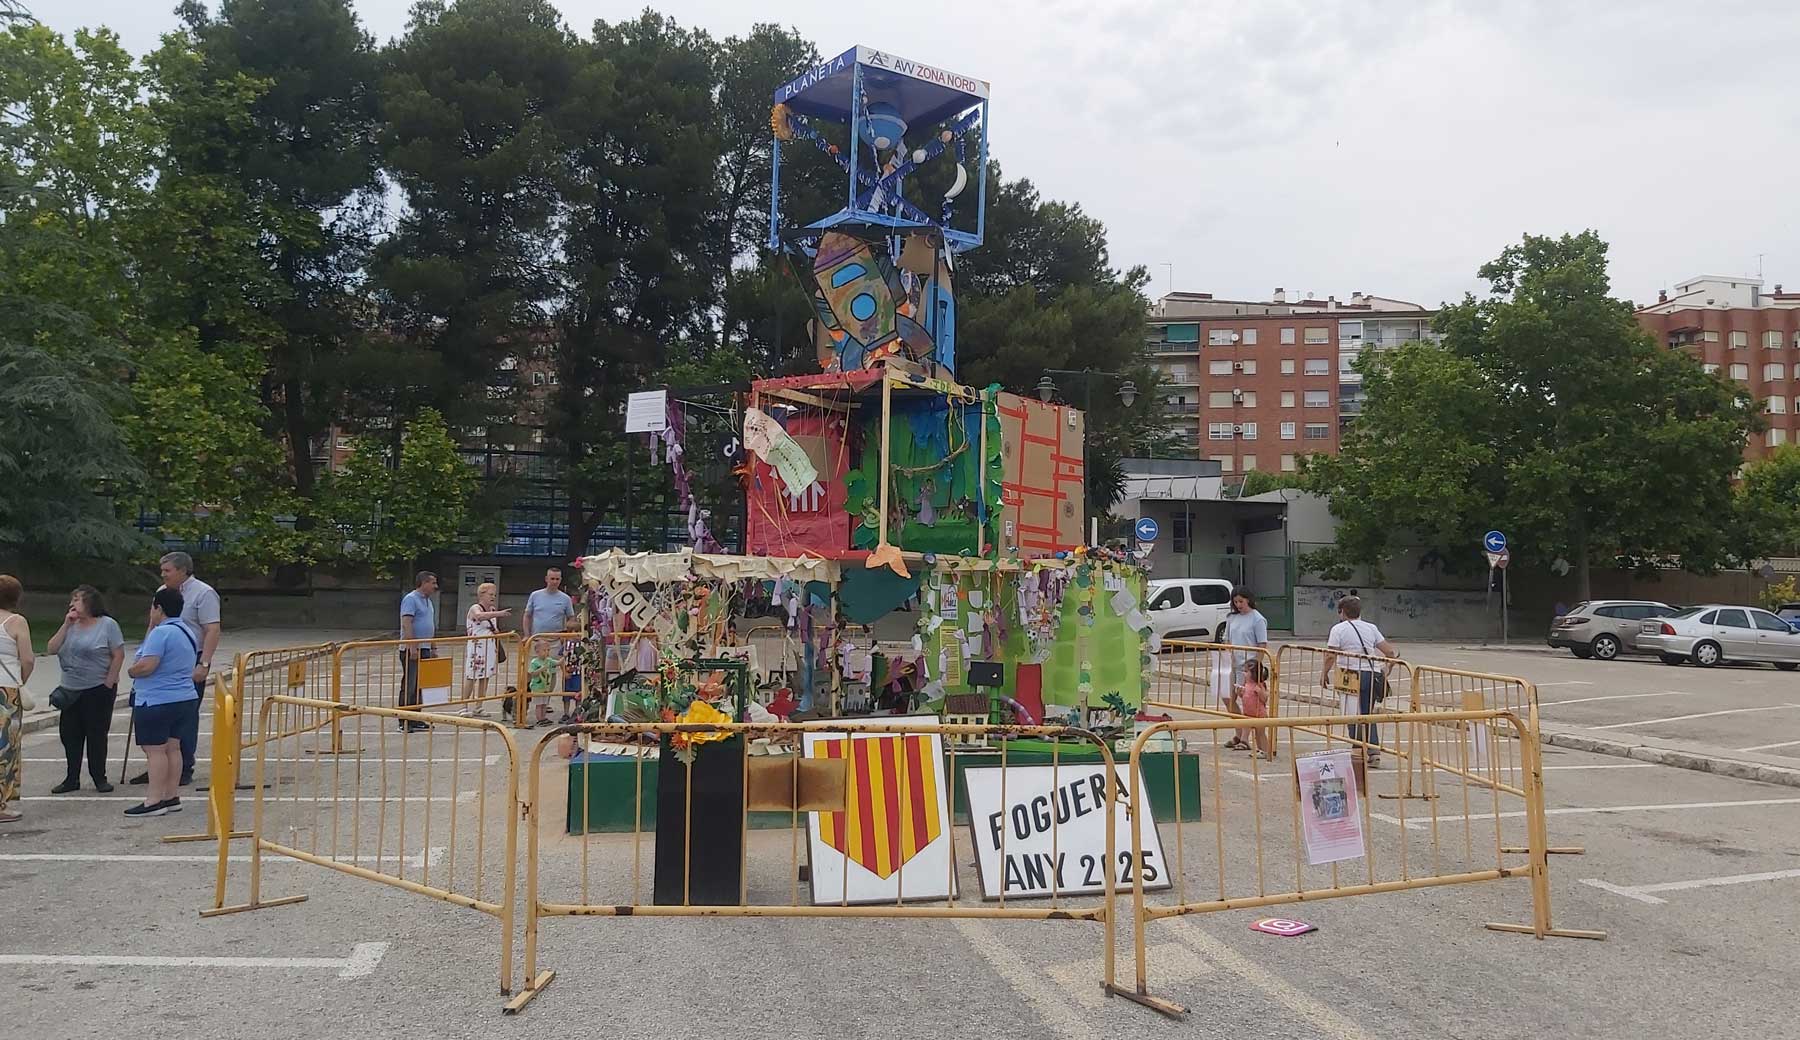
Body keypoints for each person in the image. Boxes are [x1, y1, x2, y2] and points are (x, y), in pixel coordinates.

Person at [130, 552, 220, 787]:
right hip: (160, 654)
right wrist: (145, 650)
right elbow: (153, 623)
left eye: (167, 571)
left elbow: (211, 629)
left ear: (183, 571)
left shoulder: (203, 593)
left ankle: (183, 767)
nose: (163, 575)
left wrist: (204, 664)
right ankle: (158, 766)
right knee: (159, 717)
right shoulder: (162, 592)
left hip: (189, 656)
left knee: (183, 717)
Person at [124, 587, 199, 817]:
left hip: (157, 699)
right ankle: (171, 795)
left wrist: (132, 671)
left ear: (159, 608)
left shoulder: (161, 633)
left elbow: (148, 665)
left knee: (155, 750)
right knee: (173, 747)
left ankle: (153, 800)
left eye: (152, 607)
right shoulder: (187, 631)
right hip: (184, 697)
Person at [47, 585, 124, 793]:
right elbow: (51, 648)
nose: (72, 604)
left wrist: (110, 680)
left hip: (97, 688)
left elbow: (118, 654)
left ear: (90, 603)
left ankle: (99, 777)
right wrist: (65, 624)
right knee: (70, 735)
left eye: (77, 600)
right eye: (72, 599)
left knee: (96, 735)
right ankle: (72, 779)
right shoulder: (70, 625)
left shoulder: (107, 625)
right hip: (70, 689)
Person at [1319, 595, 1398, 767]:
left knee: (1351, 713)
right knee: (1367, 713)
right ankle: (1373, 751)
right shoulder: (1371, 628)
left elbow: (1331, 654)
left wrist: (1324, 673)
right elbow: (1390, 652)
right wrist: (1387, 669)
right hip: (1371, 673)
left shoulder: (1338, 629)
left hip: (1349, 675)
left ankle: (1357, 750)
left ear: (1342, 612)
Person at [0, 576, 35, 824]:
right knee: (6, 747)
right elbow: (28, 659)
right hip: (6, 691)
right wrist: (21, 679)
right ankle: (2, 802)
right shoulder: (16, 622)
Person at [522, 567, 576, 723]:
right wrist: (526, 634)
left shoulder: (565, 598)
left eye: (557, 579)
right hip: (537, 640)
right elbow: (527, 615)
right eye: (552, 579)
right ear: (546, 579)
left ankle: (545, 701)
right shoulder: (535, 595)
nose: (554, 582)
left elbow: (570, 618)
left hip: (555, 641)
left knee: (551, 673)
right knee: (532, 671)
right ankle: (527, 700)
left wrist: (568, 635)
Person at [1220, 587, 1269, 751]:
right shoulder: (1232, 618)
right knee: (1228, 698)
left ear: (1248, 599)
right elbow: (1227, 639)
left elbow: (1262, 644)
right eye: (1235, 602)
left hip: (1248, 665)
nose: (1238, 605)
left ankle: (1245, 738)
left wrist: (1256, 668)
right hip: (1233, 663)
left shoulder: (1257, 619)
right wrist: (1228, 652)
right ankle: (1239, 733)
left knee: (1247, 701)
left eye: (1241, 601)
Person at [459, 582, 510, 718]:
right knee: (472, 676)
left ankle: (479, 706)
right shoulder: (475, 608)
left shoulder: (492, 610)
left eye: (494, 594)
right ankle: (464, 706)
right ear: (481, 595)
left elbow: (494, 628)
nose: (493, 597)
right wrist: (499, 614)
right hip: (477, 647)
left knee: (485, 677)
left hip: (489, 646)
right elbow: (479, 616)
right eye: (490, 594)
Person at [398, 571, 438, 733]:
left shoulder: (428, 601)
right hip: (412, 649)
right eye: (433, 583)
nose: (435, 586)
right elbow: (407, 623)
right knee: (409, 684)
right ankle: (404, 720)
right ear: (423, 583)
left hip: (425, 648)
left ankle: (415, 717)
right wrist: (412, 646)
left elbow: (430, 625)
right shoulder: (411, 599)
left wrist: (433, 646)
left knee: (420, 685)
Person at [1231, 660, 1274, 760]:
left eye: (1246, 672)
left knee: (1261, 734)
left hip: (1259, 714)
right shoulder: (1246, 685)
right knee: (1256, 735)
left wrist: (1260, 693)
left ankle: (1266, 751)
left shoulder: (1259, 685)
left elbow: (1264, 699)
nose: (1244, 674)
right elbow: (1246, 698)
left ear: (1254, 674)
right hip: (1249, 714)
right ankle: (1260, 749)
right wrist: (1240, 694)